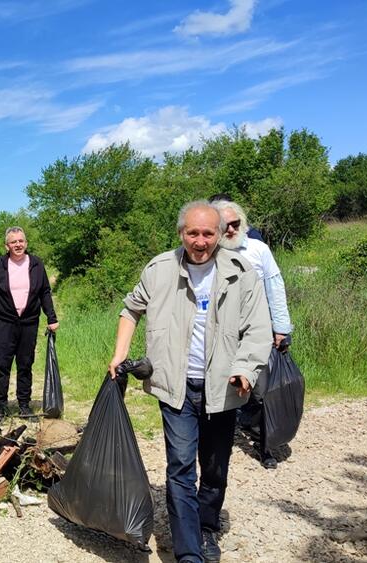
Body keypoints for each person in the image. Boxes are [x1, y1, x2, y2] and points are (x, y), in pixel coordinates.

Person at [108, 201, 271, 563]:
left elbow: (259, 329)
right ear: (181, 233)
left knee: (214, 468)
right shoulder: (160, 268)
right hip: (175, 387)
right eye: (192, 233)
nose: (200, 241)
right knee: (180, 467)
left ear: (221, 234)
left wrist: (245, 369)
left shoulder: (241, 272)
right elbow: (130, 308)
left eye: (208, 233)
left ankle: (207, 528)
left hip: (223, 388)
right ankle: (188, 552)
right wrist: (120, 353)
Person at [212, 199, 293, 469]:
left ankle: (264, 444)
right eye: (226, 226)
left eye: (236, 224)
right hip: (220, 335)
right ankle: (215, 445)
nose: (232, 230)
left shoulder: (258, 249)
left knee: (261, 392)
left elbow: (275, 287)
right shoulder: (207, 253)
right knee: (217, 388)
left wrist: (281, 329)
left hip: (256, 334)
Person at [0, 227, 59, 424]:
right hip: (6, 322)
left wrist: (52, 317)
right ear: (7, 246)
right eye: (13, 242)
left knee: (25, 364)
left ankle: (24, 405)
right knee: (2, 364)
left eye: (21, 241)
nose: (18, 245)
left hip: (29, 322)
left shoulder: (36, 264)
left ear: (26, 243)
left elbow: (45, 292)